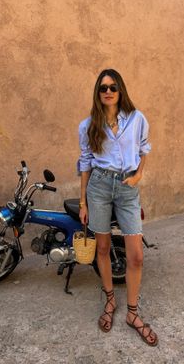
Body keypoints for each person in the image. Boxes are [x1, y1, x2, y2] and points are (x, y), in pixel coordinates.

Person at [77, 69, 158, 346]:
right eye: (103, 88)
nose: (108, 91)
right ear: (98, 93)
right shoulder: (88, 125)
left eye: (113, 87)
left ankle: (133, 313)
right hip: (98, 187)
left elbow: (144, 149)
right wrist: (84, 202)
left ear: (120, 90)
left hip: (127, 189)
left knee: (136, 256)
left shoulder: (137, 119)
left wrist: (138, 177)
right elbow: (85, 163)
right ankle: (110, 301)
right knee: (102, 248)